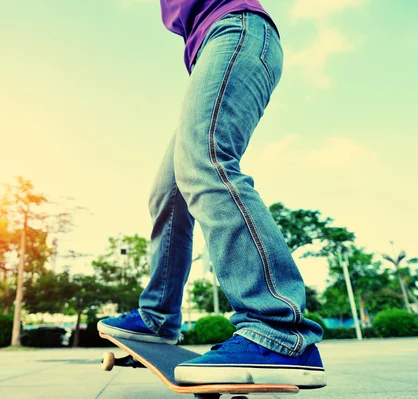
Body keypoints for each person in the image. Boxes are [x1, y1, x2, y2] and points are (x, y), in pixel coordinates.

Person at [98, 0, 326, 388]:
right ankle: (157, 317)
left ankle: (277, 330)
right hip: (213, 49)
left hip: (237, 31)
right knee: (167, 193)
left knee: (205, 163)